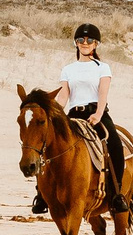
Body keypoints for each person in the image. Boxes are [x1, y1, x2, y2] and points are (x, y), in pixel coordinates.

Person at [47, 22, 126, 212]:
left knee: (114, 144)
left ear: (96, 44)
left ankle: (117, 194)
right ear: (75, 43)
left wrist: (98, 115)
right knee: (49, 144)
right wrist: (54, 115)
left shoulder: (102, 67)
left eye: (89, 40)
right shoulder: (68, 69)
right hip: (73, 114)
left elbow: (103, 94)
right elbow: (64, 96)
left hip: (96, 113)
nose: (85, 43)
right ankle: (42, 194)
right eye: (81, 40)